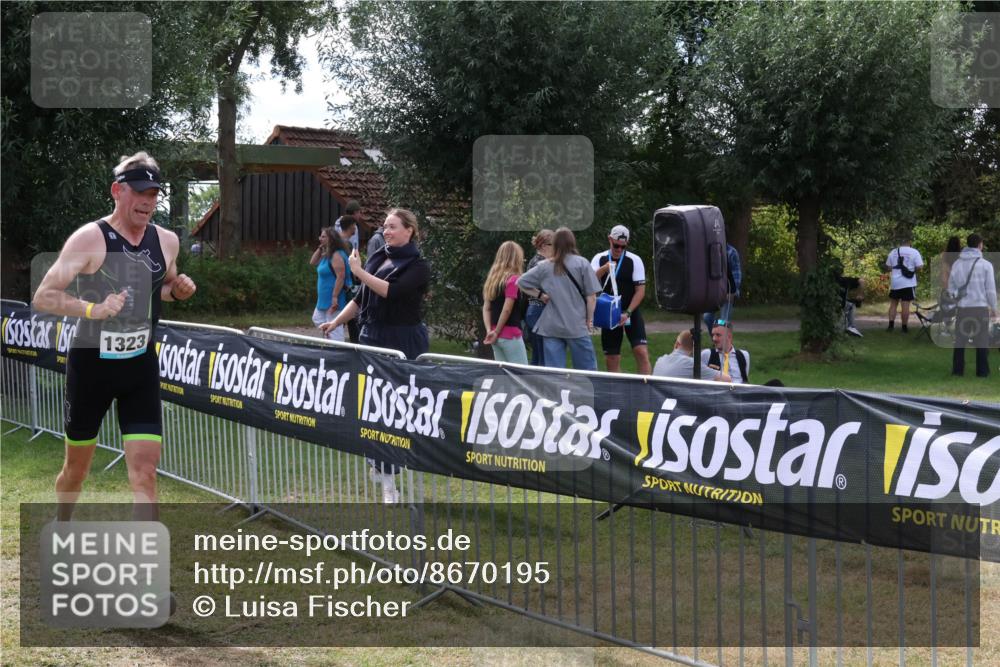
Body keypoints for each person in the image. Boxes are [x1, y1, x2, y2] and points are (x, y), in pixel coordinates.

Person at [31, 151, 197, 522]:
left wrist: (179, 289)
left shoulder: (167, 241)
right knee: (76, 471)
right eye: (139, 192)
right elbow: (44, 296)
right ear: (117, 192)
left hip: (140, 369)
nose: (148, 201)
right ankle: (63, 522)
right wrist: (93, 309)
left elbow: (164, 287)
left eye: (154, 193)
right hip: (92, 369)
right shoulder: (90, 238)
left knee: (145, 475)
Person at [321, 208, 430, 503]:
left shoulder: (418, 266)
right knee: (373, 405)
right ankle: (382, 470)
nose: (387, 231)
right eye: (385, 227)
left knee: (397, 408)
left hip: (403, 339)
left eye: (393, 227)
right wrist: (337, 321)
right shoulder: (379, 256)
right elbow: (361, 297)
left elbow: (390, 292)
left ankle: (389, 476)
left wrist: (358, 272)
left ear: (409, 230)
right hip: (372, 336)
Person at [517, 227, 601, 371]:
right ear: (572, 243)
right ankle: (585, 393)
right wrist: (589, 320)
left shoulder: (544, 266)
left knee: (555, 373)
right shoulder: (582, 263)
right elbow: (591, 297)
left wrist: (540, 295)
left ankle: (556, 394)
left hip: (551, 326)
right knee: (587, 370)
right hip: (576, 325)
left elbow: (521, 282)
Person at [591, 225, 651, 374]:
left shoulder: (634, 260)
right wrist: (603, 269)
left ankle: (646, 389)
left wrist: (628, 312)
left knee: (641, 351)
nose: (619, 250)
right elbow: (589, 283)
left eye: (623, 247)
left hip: (630, 310)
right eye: (616, 245)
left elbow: (640, 291)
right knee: (612, 357)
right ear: (609, 239)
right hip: (608, 313)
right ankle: (616, 392)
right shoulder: (599, 258)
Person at [948, 233, 997, 378]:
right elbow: (990, 289)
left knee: (960, 340)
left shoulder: (957, 263)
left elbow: (951, 287)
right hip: (980, 307)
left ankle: (957, 371)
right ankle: (982, 372)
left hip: (963, 307)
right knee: (982, 340)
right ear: (980, 244)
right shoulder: (986, 265)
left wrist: (955, 298)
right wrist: (994, 307)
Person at [482, 241, 529, 364]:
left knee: (503, 374)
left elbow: (486, 308)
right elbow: (507, 309)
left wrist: (490, 331)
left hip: (494, 336)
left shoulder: (492, 280)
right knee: (521, 373)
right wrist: (497, 331)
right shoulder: (513, 280)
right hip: (510, 335)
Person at [309, 226, 351, 343]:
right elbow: (312, 262)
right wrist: (320, 248)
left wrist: (334, 297)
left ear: (331, 239)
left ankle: (337, 351)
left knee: (335, 328)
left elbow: (341, 276)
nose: (320, 238)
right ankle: (329, 341)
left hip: (333, 296)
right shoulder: (328, 254)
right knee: (317, 318)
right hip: (324, 297)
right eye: (320, 236)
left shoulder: (336, 255)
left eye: (323, 237)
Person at [524, 229, 554, 366]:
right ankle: (540, 385)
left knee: (538, 354)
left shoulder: (537, 261)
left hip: (535, 311)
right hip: (538, 310)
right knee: (543, 355)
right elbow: (524, 284)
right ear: (543, 246)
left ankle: (533, 385)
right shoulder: (540, 263)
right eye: (553, 244)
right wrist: (541, 295)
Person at [653, 330, 731, 381]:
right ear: (694, 349)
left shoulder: (660, 360)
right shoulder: (691, 364)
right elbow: (727, 379)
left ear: (677, 344)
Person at [885, 234, 924, 333]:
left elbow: (888, 267)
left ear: (900, 243)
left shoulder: (893, 251)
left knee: (893, 304)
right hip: (908, 283)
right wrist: (911, 270)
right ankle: (904, 327)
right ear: (909, 242)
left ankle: (890, 326)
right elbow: (920, 267)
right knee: (905, 305)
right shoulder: (914, 252)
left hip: (895, 282)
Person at [703, 243, 742, 331]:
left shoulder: (731, 252)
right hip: (715, 292)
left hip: (728, 292)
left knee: (724, 322)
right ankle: (717, 340)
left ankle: (723, 342)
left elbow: (737, 273)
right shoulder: (711, 250)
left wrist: (732, 292)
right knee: (707, 317)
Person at [335, 216, 361, 343]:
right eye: (355, 225)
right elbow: (350, 267)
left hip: (339, 285)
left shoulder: (335, 241)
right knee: (352, 319)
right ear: (351, 226)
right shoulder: (347, 244)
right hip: (347, 286)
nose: (356, 228)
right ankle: (354, 345)